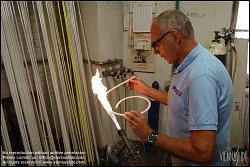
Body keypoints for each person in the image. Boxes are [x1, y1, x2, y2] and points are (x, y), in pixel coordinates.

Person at [125, 10, 233, 166]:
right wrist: (147, 90)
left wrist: (149, 135)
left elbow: (202, 152)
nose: (155, 51)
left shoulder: (201, 76)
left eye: (156, 44)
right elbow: (184, 101)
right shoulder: (186, 63)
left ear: (175, 36)